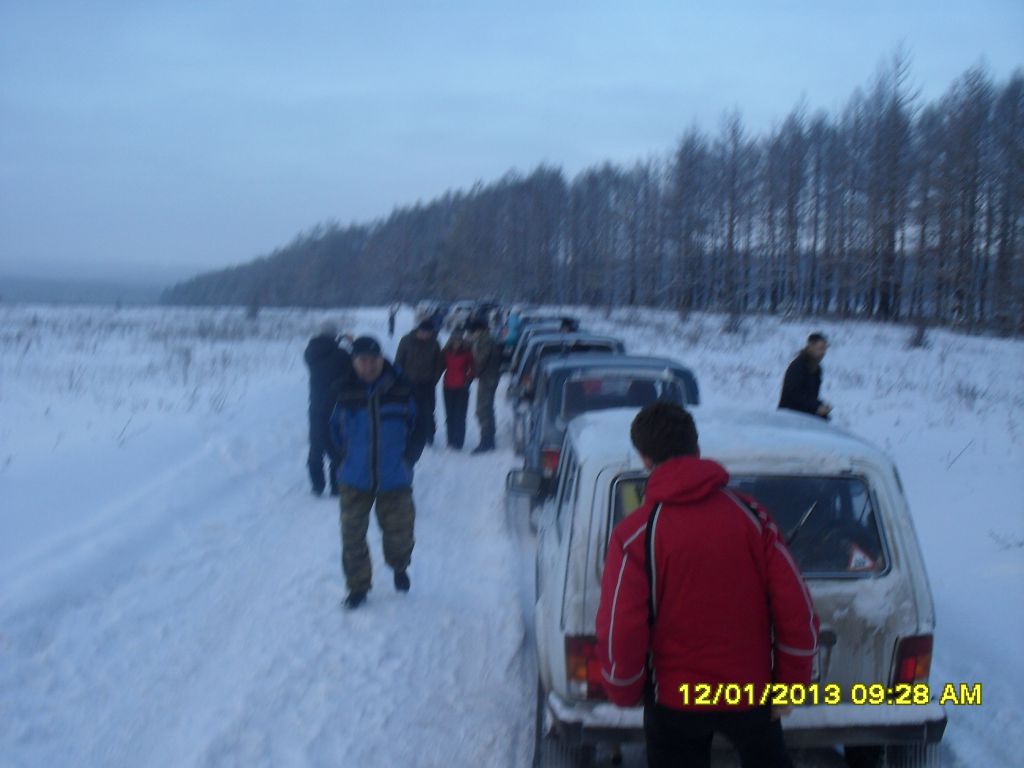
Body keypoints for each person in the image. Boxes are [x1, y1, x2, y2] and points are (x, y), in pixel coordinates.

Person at [596, 402, 819, 768]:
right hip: (749, 693)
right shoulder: (752, 516)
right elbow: (797, 609)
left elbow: (621, 628)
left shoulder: (634, 534)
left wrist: (623, 688)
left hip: (676, 699)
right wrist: (791, 686)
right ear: (697, 448)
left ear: (645, 458)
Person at [330, 336, 418, 610]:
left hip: (394, 478)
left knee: (399, 533)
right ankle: (358, 587)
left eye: (373, 361)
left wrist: (408, 459)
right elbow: (330, 430)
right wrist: (341, 459)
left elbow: (419, 425)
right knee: (352, 536)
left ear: (382, 360)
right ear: (354, 362)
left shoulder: (401, 389)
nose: (368, 366)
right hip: (354, 480)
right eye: (362, 361)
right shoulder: (343, 391)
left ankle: (399, 566)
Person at [303, 321, 352, 496]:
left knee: (316, 444)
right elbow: (351, 368)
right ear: (335, 335)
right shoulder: (341, 355)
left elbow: (326, 352)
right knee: (336, 443)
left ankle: (317, 485)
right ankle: (336, 486)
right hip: (336, 404)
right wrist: (349, 344)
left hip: (316, 403)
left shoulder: (310, 352)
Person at [395, 319, 444, 459]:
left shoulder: (434, 343)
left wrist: (434, 379)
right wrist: (399, 380)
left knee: (428, 411)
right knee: (409, 410)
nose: (425, 335)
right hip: (409, 383)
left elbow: (439, 364)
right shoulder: (406, 341)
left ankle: (429, 436)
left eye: (429, 333)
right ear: (418, 330)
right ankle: (409, 435)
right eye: (423, 332)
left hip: (427, 383)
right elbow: (398, 362)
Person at [466, 318, 501, 453]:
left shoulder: (485, 340)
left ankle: (486, 441)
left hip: (488, 378)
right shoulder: (486, 339)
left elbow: (481, 359)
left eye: (472, 332)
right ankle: (489, 439)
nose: (471, 335)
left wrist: (473, 372)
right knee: (487, 408)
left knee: (482, 409)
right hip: (488, 377)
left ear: (478, 331)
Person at [778, 332, 832, 419]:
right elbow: (792, 395)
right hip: (790, 414)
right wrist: (816, 407)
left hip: (805, 413)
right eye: (820, 348)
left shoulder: (816, 369)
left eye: (825, 349)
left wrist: (820, 406)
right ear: (811, 346)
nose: (823, 352)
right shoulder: (798, 366)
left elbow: (811, 396)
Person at [441, 328, 475, 449]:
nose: (457, 343)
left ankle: (459, 441)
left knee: (460, 415)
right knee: (449, 415)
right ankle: (450, 440)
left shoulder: (467, 352)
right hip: (448, 386)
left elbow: (472, 367)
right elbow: (439, 365)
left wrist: (468, 379)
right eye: (455, 340)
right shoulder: (446, 352)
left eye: (459, 340)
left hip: (462, 387)